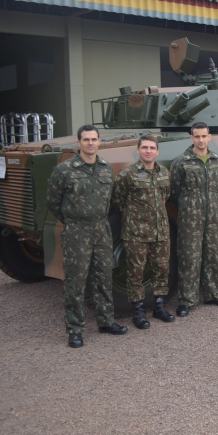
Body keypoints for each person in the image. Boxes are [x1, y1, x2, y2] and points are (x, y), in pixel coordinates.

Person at [47, 124, 127, 348]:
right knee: (76, 281)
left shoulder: (105, 167)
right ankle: (75, 329)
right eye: (86, 139)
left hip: (101, 228)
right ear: (79, 142)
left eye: (94, 139)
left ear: (99, 142)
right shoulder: (64, 170)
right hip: (77, 230)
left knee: (104, 276)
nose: (90, 143)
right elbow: (53, 201)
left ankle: (106, 321)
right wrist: (73, 220)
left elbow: (110, 200)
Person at [111, 134, 175, 329]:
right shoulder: (127, 174)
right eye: (145, 147)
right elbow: (119, 200)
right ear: (138, 150)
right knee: (135, 272)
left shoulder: (164, 173)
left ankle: (159, 306)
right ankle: (138, 311)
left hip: (160, 231)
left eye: (152, 148)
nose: (148, 151)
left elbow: (165, 196)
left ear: (157, 151)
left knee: (161, 269)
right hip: (136, 233)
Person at [170, 122, 218, 316]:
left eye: (204, 136)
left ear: (209, 137)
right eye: (197, 136)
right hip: (190, 218)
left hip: (213, 216)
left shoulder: (217, 161)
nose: (201, 140)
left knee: (213, 256)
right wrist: (189, 206)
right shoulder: (181, 162)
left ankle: (213, 294)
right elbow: (174, 191)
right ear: (191, 138)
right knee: (189, 258)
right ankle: (187, 299)